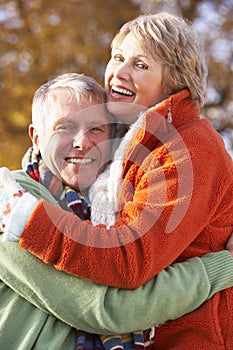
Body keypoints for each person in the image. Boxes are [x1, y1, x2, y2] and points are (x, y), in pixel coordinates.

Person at [1, 12, 233, 348]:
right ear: (36, 136)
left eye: (140, 64)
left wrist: (30, 222)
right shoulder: (125, 157)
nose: (119, 72)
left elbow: (129, 258)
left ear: (174, 79)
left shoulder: (187, 146)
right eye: (119, 57)